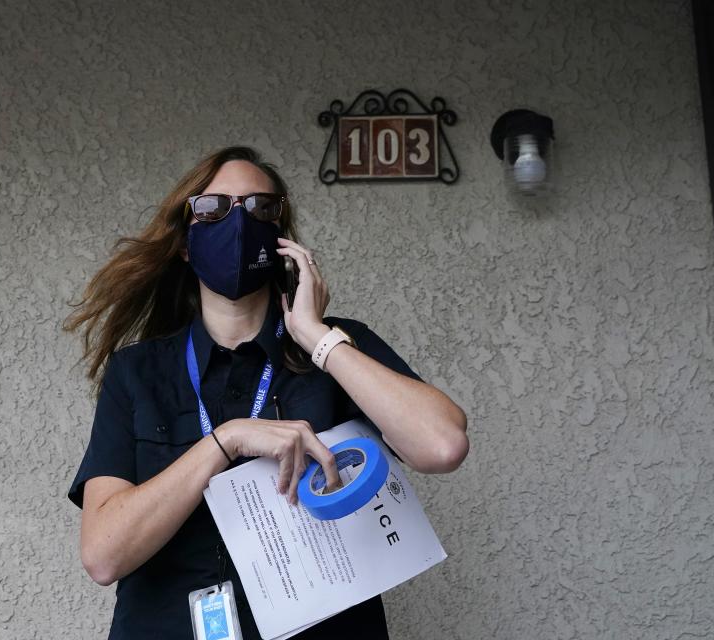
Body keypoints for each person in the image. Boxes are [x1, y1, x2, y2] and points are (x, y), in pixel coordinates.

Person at [63, 145, 469, 639]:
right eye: (213, 208)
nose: (238, 223)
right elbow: (104, 555)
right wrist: (226, 440)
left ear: (279, 237)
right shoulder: (138, 371)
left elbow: (442, 444)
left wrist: (317, 337)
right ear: (187, 244)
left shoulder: (336, 349)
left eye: (259, 208)